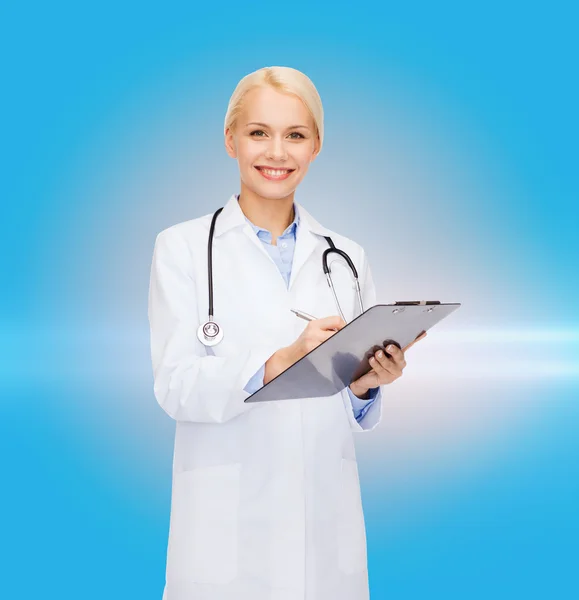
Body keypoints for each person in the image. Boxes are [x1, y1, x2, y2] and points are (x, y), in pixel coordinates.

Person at [148, 66, 426, 600]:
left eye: (295, 135)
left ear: (316, 145)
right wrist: (279, 362)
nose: (277, 152)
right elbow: (175, 385)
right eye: (259, 132)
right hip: (225, 539)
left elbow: (350, 398)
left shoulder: (346, 255)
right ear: (230, 139)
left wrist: (367, 384)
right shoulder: (181, 249)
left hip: (325, 537)